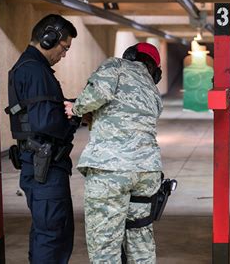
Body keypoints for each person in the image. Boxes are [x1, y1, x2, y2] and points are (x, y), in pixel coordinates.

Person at [64, 42, 164, 263]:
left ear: (129, 56)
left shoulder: (116, 65)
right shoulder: (153, 89)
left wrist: (76, 108)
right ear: (156, 72)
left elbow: (98, 93)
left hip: (111, 170)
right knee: (140, 236)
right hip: (147, 172)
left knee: (105, 242)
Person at [5, 14, 78, 263]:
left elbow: (42, 110)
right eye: (64, 47)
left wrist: (69, 106)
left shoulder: (30, 67)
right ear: (48, 39)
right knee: (53, 233)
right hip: (45, 167)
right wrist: (75, 117)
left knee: (46, 231)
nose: (64, 54)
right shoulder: (35, 70)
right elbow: (47, 122)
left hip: (39, 164)